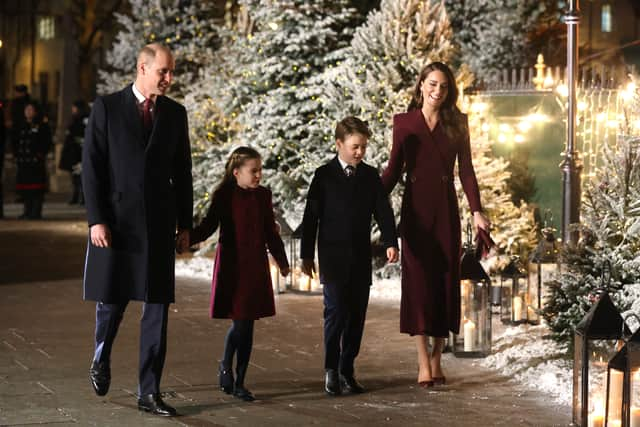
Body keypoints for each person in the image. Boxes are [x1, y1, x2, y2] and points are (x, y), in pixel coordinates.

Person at [82, 43, 192, 417]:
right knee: (113, 302)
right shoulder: (107, 108)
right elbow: (92, 167)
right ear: (142, 68)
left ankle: (149, 391)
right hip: (117, 224)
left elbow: (184, 173)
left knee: (157, 310)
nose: (169, 78)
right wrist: (97, 219)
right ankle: (101, 355)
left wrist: (186, 225)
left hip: (159, 225)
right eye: (163, 71)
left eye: (171, 71)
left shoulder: (175, 114)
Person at [381, 62, 491, 387]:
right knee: (417, 285)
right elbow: (392, 170)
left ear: (449, 90)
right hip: (414, 212)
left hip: (445, 212)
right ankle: (421, 361)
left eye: (443, 86)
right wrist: (369, 201)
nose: (437, 91)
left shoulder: (458, 123)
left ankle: (437, 358)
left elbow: (467, 171)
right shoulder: (404, 123)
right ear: (421, 85)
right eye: (432, 84)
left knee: (444, 281)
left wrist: (476, 210)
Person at [300, 116, 399, 396]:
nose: (360, 152)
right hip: (332, 258)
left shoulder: (369, 177)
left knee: (356, 316)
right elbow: (311, 218)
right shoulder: (323, 176)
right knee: (335, 314)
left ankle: (347, 369)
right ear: (339, 144)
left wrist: (391, 241)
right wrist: (306, 255)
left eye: (364, 147)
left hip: (359, 258)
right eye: (355, 146)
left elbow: (383, 210)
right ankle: (331, 369)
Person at [186, 146, 290, 402]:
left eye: (260, 171)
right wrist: (186, 238)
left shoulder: (263, 195)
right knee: (241, 322)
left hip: (255, 266)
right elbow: (209, 225)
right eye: (253, 171)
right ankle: (226, 367)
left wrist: (282, 261)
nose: (258, 176)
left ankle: (240, 379)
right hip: (233, 266)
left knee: (247, 323)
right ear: (236, 172)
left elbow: (270, 232)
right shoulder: (225, 196)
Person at [14, 102, 52, 219]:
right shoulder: (21, 125)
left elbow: (46, 141)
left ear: (35, 111)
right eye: (27, 109)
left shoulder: (42, 125)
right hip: (24, 162)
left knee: (36, 189)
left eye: (31, 110)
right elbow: (15, 140)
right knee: (25, 189)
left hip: (35, 162)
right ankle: (27, 211)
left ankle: (36, 212)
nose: (28, 112)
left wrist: (40, 154)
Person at [59, 100, 88, 205]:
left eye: (74, 108)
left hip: (80, 151)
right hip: (73, 152)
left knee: (82, 177)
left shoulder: (84, 120)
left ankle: (83, 197)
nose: (73, 110)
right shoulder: (74, 119)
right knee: (74, 177)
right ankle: (76, 196)